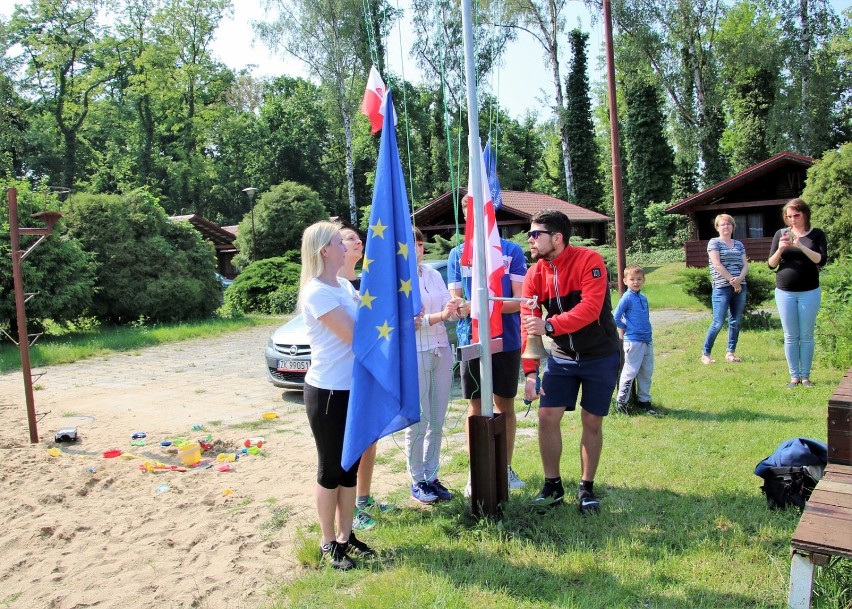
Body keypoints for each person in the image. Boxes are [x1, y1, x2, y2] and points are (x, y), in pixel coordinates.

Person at [520, 210, 620, 515]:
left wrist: (550, 326)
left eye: (536, 234)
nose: (530, 239)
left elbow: (590, 309)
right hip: (562, 358)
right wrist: (530, 373)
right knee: (547, 416)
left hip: (600, 354)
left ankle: (586, 489)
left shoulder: (589, 260)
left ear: (557, 237)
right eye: (530, 234)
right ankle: (552, 485)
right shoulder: (535, 272)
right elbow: (529, 324)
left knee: (591, 420)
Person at [298, 221, 374, 570]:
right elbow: (355, 335)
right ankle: (328, 542)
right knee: (330, 469)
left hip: (353, 388)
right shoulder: (317, 292)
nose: (346, 247)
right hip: (328, 391)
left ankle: (346, 536)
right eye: (337, 242)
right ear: (324, 251)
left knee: (350, 468)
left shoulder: (343, 284)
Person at [448, 224, 528, 496]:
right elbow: (456, 301)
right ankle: (477, 471)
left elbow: (518, 300)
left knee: (504, 404)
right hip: (471, 338)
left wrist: (481, 305)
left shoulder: (511, 251)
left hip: (506, 338)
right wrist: (463, 308)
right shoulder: (457, 255)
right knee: (476, 405)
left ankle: (505, 467)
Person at [338, 226, 394, 531]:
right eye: (348, 238)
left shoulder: (368, 281)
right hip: (344, 373)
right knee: (351, 439)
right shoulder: (332, 285)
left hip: (371, 366)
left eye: (358, 238)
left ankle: (364, 498)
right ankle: (347, 506)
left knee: (370, 436)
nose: (357, 241)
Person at [407, 227, 461, 504]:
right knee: (419, 421)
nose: (417, 248)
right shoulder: (397, 278)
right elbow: (410, 323)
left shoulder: (431, 274)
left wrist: (455, 307)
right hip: (416, 354)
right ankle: (417, 479)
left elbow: (446, 310)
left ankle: (432, 475)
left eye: (419, 243)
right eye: (411, 243)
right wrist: (442, 314)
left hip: (441, 350)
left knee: (437, 420)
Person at [767, 199, 828, 388]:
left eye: (796, 215)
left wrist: (800, 245)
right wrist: (781, 248)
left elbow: (821, 260)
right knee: (791, 336)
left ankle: (806, 376)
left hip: (809, 291)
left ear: (805, 214)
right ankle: (794, 377)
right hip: (785, 292)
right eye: (789, 216)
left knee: (806, 335)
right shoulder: (781, 234)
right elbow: (771, 264)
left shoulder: (816, 234)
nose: (793, 219)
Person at [701, 214, 749, 365]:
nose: (726, 226)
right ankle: (706, 354)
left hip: (741, 285)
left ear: (733, 226)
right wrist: (732, 280)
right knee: (718, 321)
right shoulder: (714, 243)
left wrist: (739, 280)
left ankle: (730, 353)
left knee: (736, 321)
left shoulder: (739, 244)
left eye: (728, 224)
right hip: (722, 286)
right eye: (722, 224)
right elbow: (717, 264)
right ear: (717, 227)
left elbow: (745, 265)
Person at [612, 265, 656, 416]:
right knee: (630, 371)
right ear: (625, 281)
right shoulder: (627, 298)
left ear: (643, 280)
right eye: (632, 279)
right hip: (633, 341)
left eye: (639, 279)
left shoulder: (643, 298)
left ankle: (644, 401)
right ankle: (622, 402)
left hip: (646, 340)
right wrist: (627, 328)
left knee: (646, 371)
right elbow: (615, 317)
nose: (635, 282)